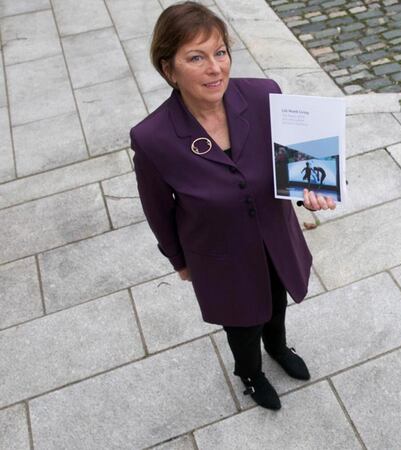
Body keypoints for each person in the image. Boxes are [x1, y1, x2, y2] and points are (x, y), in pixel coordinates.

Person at [130, 2, 335, 411]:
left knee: (276, 303)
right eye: (196, 57)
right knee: (242, 323)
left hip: (275, 238)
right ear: (168, 69)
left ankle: (277, 347)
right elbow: (158, 211)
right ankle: (251, 373)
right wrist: (179, 260)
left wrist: (309, 189)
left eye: (220, 52)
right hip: (220, 255)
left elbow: (295, 162)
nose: (215, 68)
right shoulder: (152, 138)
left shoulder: (263, 95)